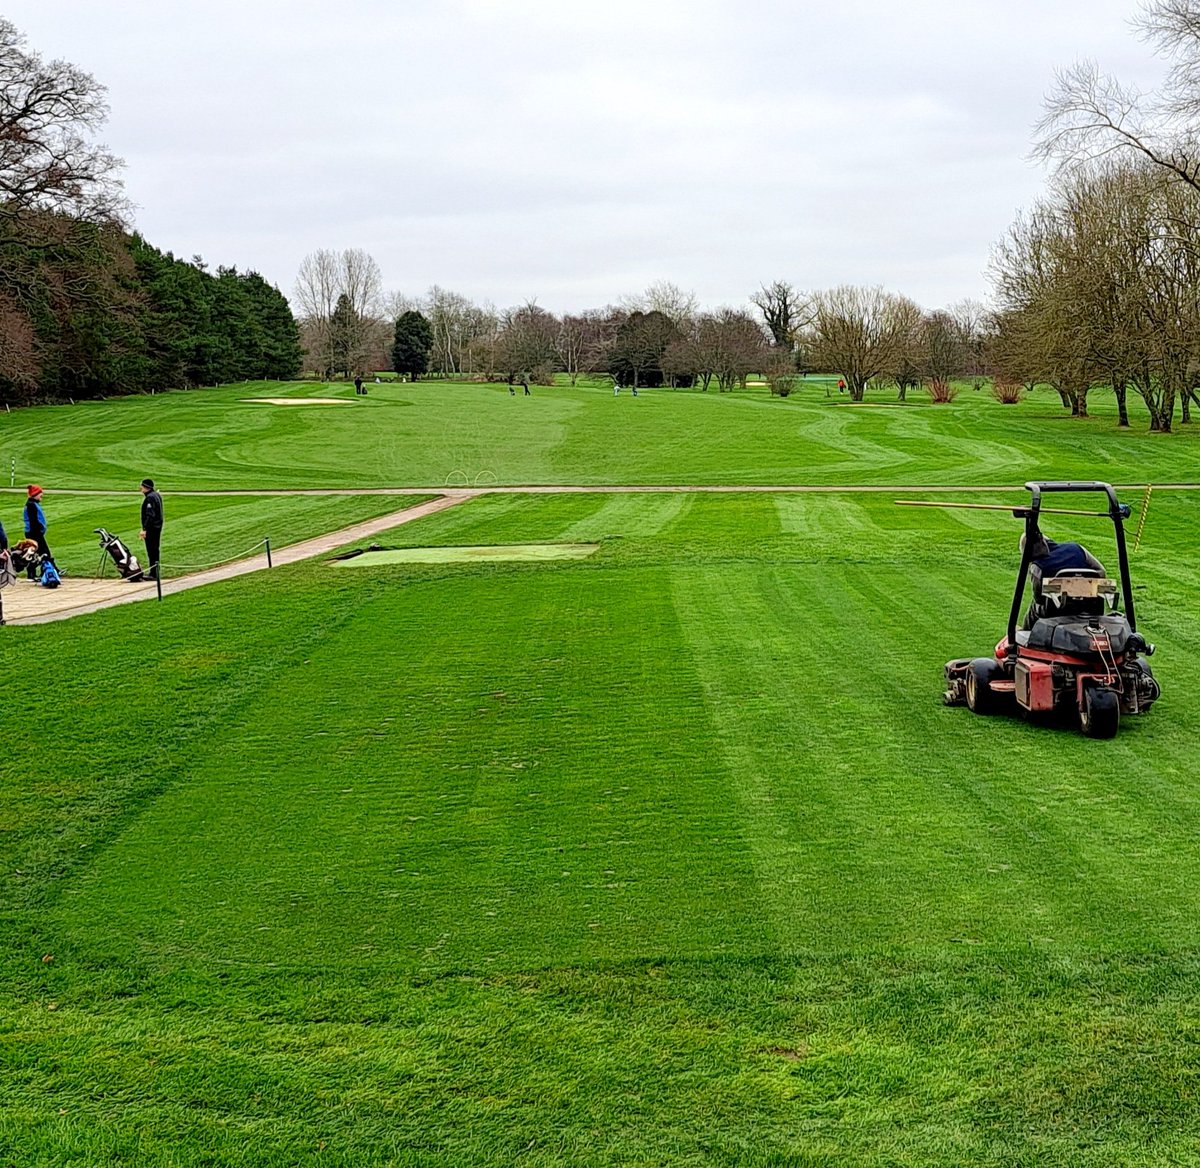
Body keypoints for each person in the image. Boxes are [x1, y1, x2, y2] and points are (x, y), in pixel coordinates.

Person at [1020, 525, 1105, 627]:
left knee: (1034, 607)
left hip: (1056, 612)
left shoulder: (1037, 567)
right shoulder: (1077, 549)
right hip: (1088, 606)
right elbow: (1101, 572)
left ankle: (1025, 635)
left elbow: (1039, 599)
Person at [23, 484, 52, 580]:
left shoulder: (33, 504)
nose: (41, 496)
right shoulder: (31, 505)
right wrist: (39, 529)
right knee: (44, 552)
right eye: (40, 494)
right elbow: (33, 520)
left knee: (36, 553)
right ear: (35, 494)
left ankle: (36, 572)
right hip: (34, 533)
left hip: (35, 532)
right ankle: (49, 570)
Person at [139, 478, 164, 581]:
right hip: (157, 527)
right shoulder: (156, 495)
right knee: (155, 550)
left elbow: (150, 515)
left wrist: (144, 529)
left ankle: (153, 573)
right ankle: (155, 572)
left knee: (151, 550)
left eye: (142, 486)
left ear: (146, 487)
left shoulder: (150, 498)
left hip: (152, 529)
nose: (140, 488)